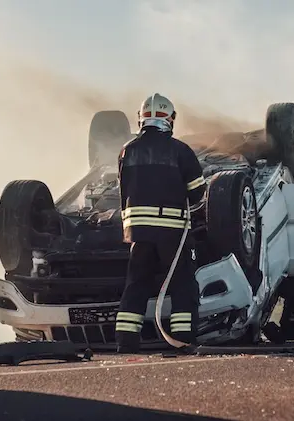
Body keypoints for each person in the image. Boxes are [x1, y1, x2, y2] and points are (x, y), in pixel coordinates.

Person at [114, 93, 207, 354]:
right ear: (170, 119)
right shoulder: (180, 150)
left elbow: (123, 189)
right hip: (172, 229)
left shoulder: (126, 150)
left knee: (137, 283)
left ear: (141, 118)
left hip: (138, 231)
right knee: (182, 283)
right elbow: (198, 192)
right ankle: (182, 338)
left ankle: (126, 340)